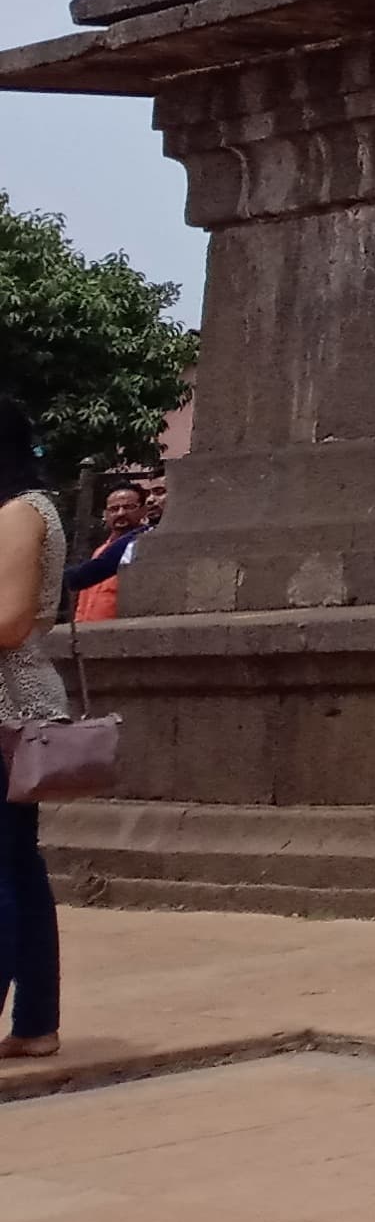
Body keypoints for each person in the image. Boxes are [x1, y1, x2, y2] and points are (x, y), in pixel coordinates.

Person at [0, 395, 65, 1057]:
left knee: (6, 868)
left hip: (5, 703)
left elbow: (12, 620)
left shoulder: (20, 512)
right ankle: (37, 1022)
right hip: (15, 704)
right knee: (18, 865)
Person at [65, 478, 157, 624]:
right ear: (105, 514)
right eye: (114, 509)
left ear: (143, 511)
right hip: (86, 633)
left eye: (129, 507)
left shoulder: (144, 546)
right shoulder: (100, 551)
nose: (121, 513)